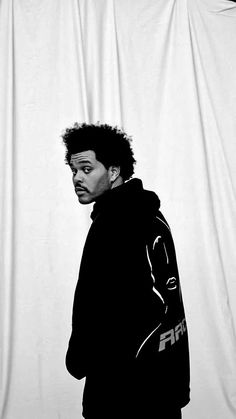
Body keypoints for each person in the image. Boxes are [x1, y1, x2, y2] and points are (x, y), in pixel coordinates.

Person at [62, 122, 190, 419]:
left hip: (123, 390)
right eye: (73, 170)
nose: (77, 178)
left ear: (114, 171)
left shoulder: (112, 225)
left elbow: (92, 303)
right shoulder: (151, 214)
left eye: (86, 168)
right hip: (163, 380)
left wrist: (78, 358)